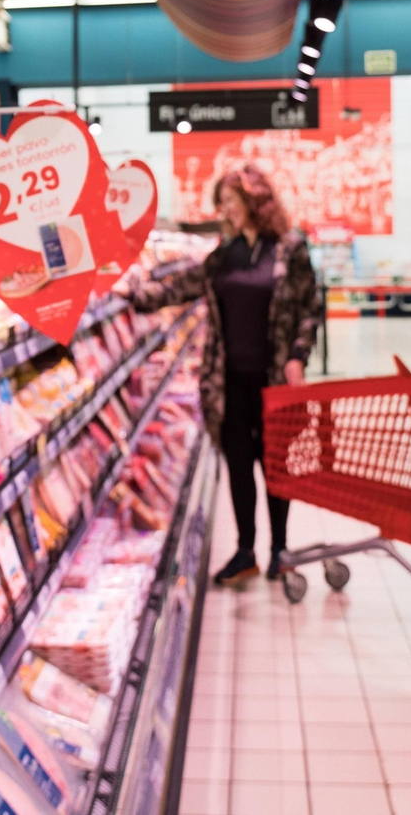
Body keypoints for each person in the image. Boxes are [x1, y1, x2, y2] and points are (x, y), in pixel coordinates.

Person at [121, 165, 321, 587]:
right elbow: (180, 287)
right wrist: (130, 293)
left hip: (274, 382)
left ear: (255, 201)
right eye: (222, 202)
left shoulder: (289, 249)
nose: (225, 209)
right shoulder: (222, 256)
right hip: (227, 381)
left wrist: (298, 357)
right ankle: (246, 549)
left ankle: (279, 549)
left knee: (275, 464)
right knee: (238, 465)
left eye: (231, 200)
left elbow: (310, 308)